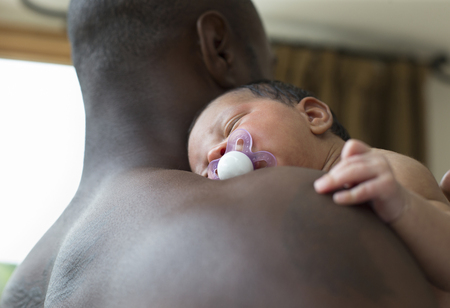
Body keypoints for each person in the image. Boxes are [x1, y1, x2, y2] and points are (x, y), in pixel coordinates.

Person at [0, 1, 439, 307]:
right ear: (220, 48)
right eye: (266, 63)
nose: (220, 159)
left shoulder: (23, 287)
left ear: (314, 114)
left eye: (232, 127)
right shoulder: (291, 206)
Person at [188, 80, 450, 301]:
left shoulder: (381, 173)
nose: (215, 154)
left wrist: (403, 205)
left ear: (313, 116)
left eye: (232, 125)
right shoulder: (275, 218)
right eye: (204, 171)